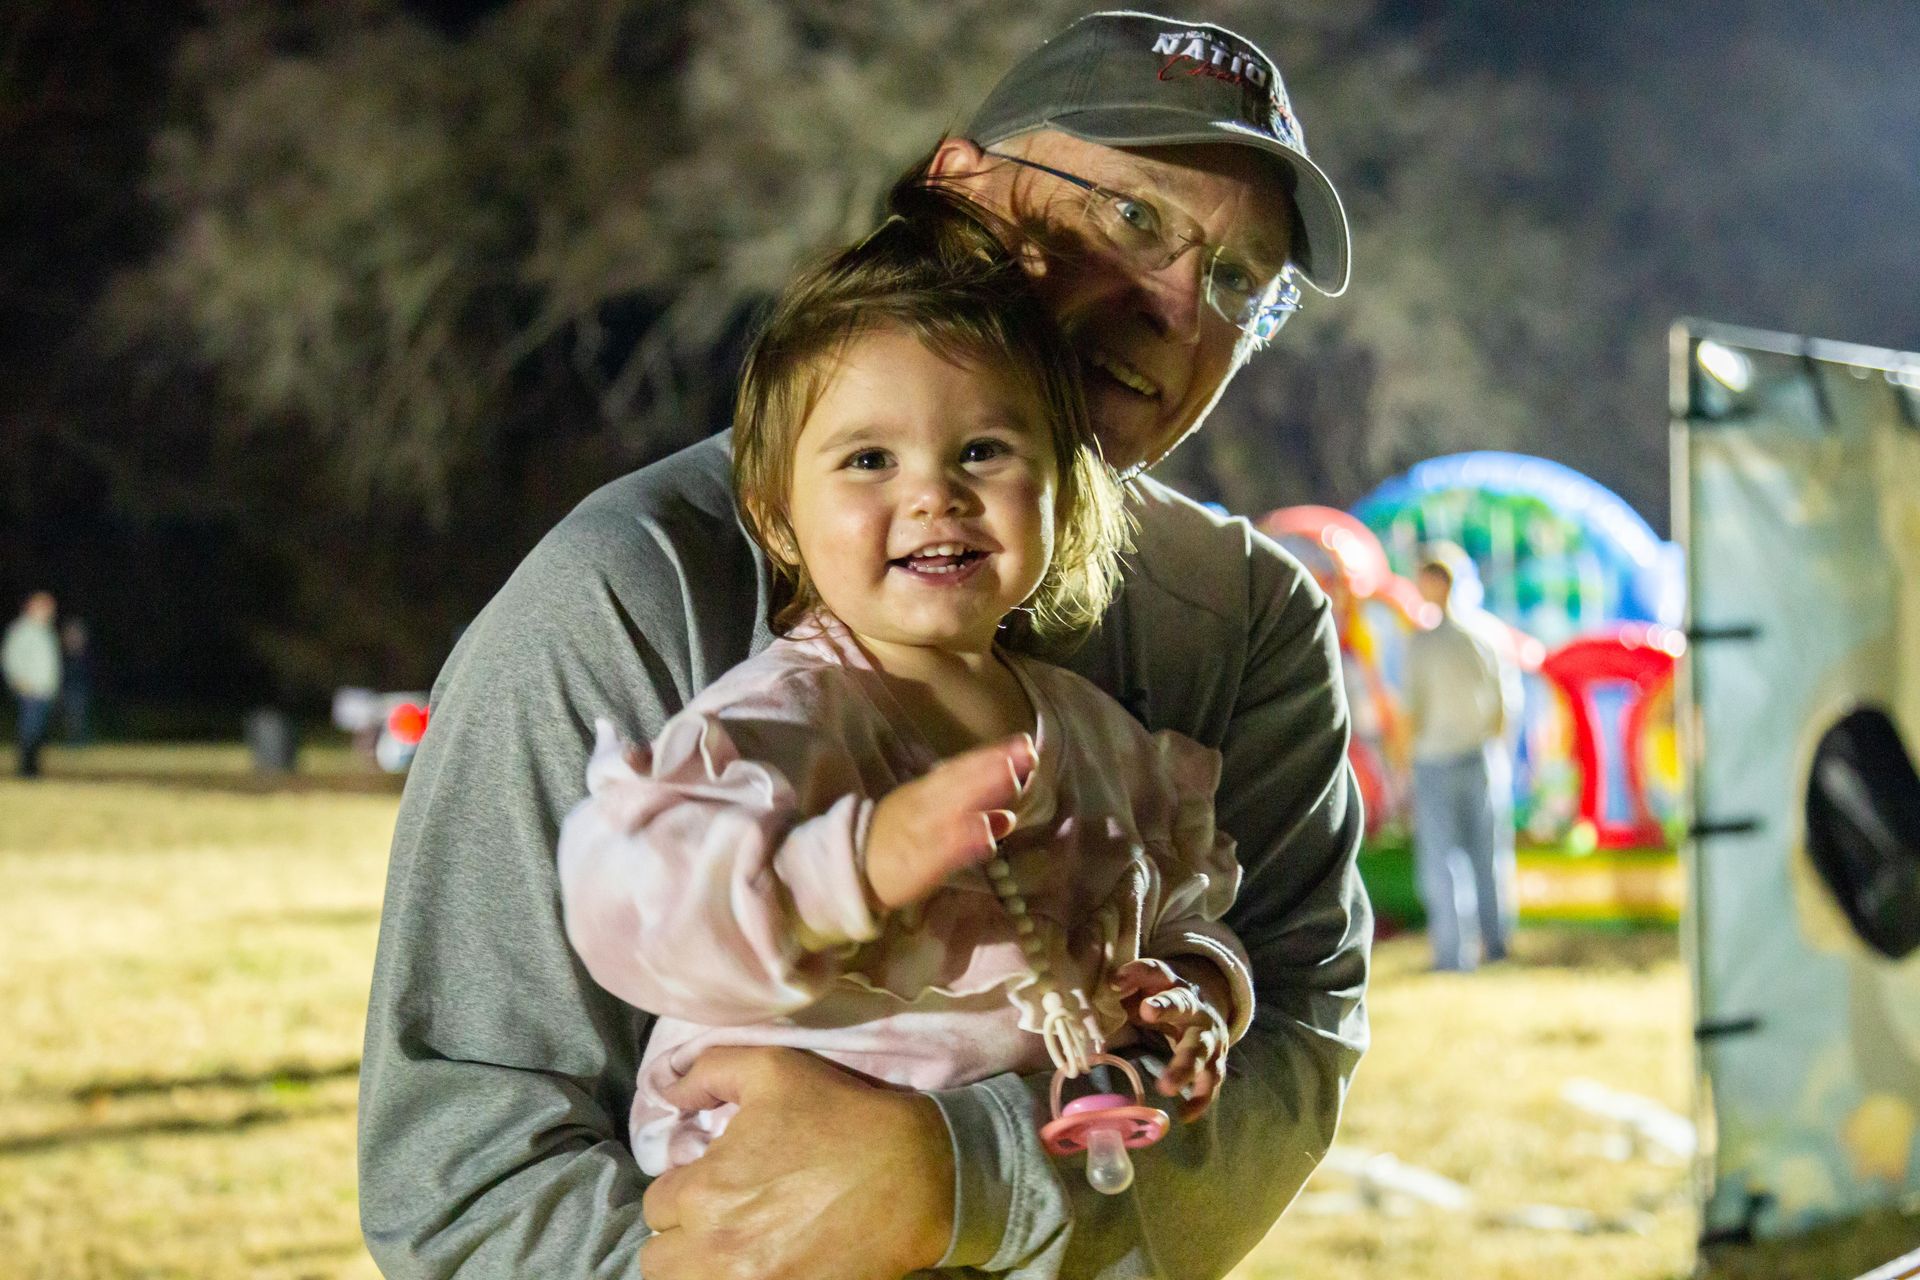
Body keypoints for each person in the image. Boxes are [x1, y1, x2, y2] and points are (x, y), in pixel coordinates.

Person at [360, 12, 1372, 1279]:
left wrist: (970, 1180)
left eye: (1238, 280)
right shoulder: (629, 586)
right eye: (1130, 218)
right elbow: (467, 1156)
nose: (1174, 304)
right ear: (961, 195)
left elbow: (1297, 1020)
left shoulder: (1247, 617)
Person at [558, 189, 1248, 1184]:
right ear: (780, 517)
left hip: (1003, 1184)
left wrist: (1190, 987)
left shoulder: (1099, 736)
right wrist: (852, 869)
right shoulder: (787, 718)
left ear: (1062, 489)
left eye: (984, 451)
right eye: (870, 459)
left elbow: (1181, 900)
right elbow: (629, 900)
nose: (935, 492)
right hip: (770, 1187)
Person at [1403, 544, 1523, 972]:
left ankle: (1453, 956)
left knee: (1445, 861)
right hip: (1478, 758)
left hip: (1438, 759)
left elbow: (1411, 712)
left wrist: (1403, 761)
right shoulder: (1488, 635)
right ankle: (1495, 944)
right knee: (1487, 855)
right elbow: (1507, 704)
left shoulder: (1424, 643)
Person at [3, 590, 61, 779]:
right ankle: (26, 771)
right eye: (45, 606)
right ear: (32, 607)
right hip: (29, 690)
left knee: (39, 732)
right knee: (29, 730)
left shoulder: (45, 631)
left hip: (44, 691)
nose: (50, 611)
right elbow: (10, 657)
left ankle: (33, 770)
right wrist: (18, 680)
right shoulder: (22, 630)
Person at [59, 618, 92, 745]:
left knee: (79, 716)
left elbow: (88, 674)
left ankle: (80, 741)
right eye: (70, 633)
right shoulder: (62, 654)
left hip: (80, 690)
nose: (73, 636)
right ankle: (72, 741)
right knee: (68, 718)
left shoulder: (85, 655)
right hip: (65, 689)